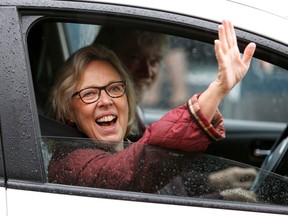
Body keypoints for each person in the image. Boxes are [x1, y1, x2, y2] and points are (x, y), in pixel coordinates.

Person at [47, 20, 256, 199]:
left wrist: (216, 186)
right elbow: (131, 172)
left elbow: (158, 182)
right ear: (68, 112)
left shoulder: (126, 143)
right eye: (90, 94)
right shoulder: (70, 164)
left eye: (114, 88)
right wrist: (218, 88)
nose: (106, 101)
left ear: (127, 98)